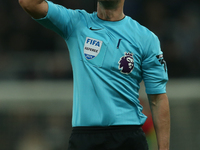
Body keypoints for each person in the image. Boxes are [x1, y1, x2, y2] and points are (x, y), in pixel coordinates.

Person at [18, 0, 170, 149]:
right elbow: (29, 3)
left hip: (128, 137)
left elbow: (158, 98)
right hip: (85, 138)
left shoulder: (146, 39)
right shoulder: (76, 23)